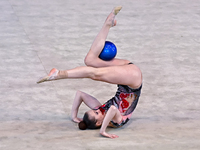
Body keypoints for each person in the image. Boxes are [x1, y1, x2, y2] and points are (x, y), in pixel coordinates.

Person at [37, 6, 142, 139]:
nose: (98, 109)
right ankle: (58, 74)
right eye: (97, 113)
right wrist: (103, 131)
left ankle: (108, 23)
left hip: (125, 75)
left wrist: (74, 116)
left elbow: (80, 94)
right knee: (95, 74)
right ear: (99, 123)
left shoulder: (102, 110)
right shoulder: (116, 122)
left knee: (90, 60)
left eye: (95, 110)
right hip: (133, 80)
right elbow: (114, 109)